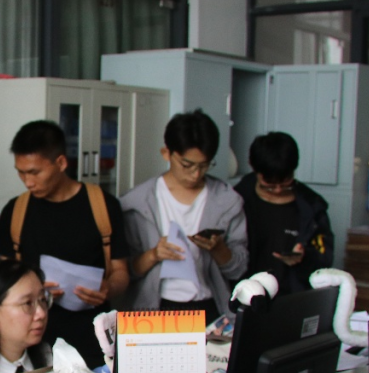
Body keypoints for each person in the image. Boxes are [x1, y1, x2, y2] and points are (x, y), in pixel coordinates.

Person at [0, 121, 130, 367]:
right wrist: (34, 292)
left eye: (34, 172)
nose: (27, 181)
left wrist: (107, 289)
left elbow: (121, 272)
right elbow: (3, 279)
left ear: (61, 163)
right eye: (21, 172)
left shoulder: (104, 206)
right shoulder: (16, 210)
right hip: (32, 344)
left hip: (93, 341)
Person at [119, 110, 247, 322]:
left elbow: (239, 270)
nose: (195, 174)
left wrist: (219, 250)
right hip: (151, 310)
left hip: (209, 308)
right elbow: (124, 272)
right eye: (187, 165)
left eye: (204, 166)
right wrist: (153, 255)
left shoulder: (227, 202)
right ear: (166, 153)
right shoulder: (136, 203)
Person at [233, 132, 334, 295]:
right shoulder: (236, 200)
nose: (278, 190)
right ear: (254, 168)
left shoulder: (312, 207)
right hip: (245, 295)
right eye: (269, 184)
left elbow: (325, 258)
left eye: (286, 182)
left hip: (293, 299)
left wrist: (304, 257)